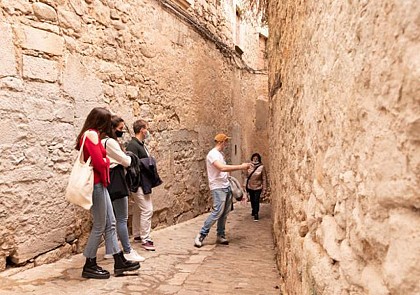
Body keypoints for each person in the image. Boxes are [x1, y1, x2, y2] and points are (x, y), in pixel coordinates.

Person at [75, 107, 140, 279]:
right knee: (100, 225)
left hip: (101, 184)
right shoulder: (92, 135)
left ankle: (119, 261)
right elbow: (99, 162)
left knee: (110, 223)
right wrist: (106, 160)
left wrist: (105, 160)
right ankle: (89, 264)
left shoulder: (90, 134)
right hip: (96, 184)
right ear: (100, 121)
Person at [194, 133, 251, 248]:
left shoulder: (220, 154)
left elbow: (225, 172)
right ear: (221, 142)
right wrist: (241, 166)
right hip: (218, 187)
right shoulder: (212, 155)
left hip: (225, 186)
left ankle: (220, 235)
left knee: (224, 213)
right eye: (225, 142)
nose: (226, 144)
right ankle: (201, 234)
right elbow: (222, 168)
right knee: (217, 212)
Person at [102, 115, 145, 262]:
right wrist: (128, 156)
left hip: (107, 179)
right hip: (117, 179)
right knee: (121, 218)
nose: (121, 132)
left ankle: (110, 250)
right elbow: (126, 161)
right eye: (120, 129)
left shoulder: (101, 141)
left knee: (110, 218)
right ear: (112, 129)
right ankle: (127, 250)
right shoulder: (111, 143)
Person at [126, 119, 156, 251]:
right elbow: (133, 164)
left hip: (143, 182)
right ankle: (146, 238)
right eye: (146, 128)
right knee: (147, 209)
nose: (148, 131)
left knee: (139, 209)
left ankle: (137, 234)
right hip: (138, 182)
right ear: (142, 129)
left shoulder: (140, 144)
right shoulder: (133, 145)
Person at [245, 153, 267, 221]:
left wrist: (264, 188)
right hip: (250, 186)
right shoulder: (249, 166)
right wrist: (244, 185)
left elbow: (264, 178)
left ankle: (256, 213)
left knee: (256, 200)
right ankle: (253, 209)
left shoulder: (262, 167)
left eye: (256, 158)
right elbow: (246, 176)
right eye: (254, 158)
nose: (255, 159)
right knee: (252, 199)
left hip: (258, 186)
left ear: (259, 159)